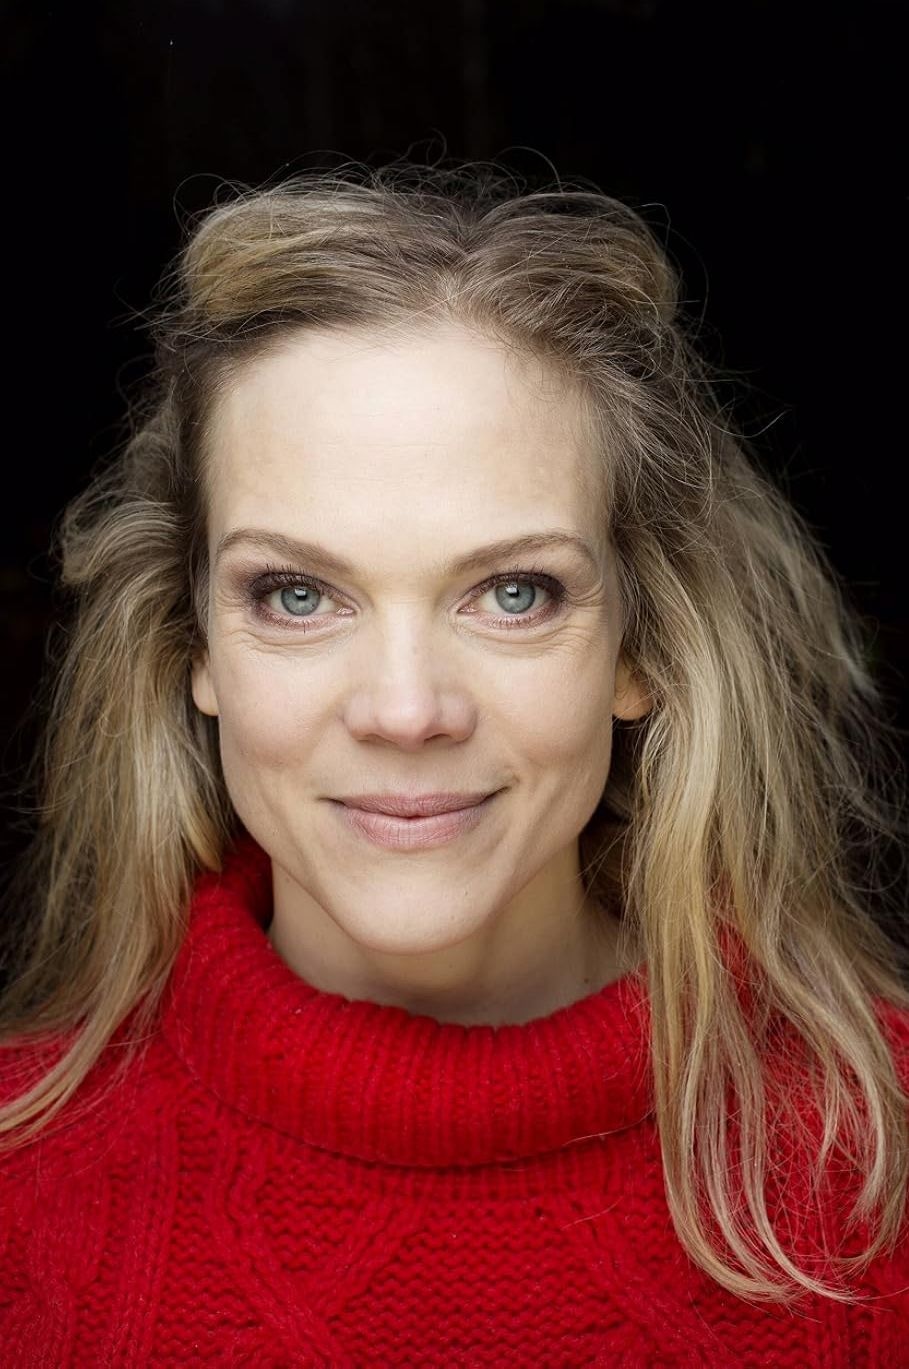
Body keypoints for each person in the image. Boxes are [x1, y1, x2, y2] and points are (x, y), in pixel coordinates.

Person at [1, 161, 908, 1366]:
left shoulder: (879, 1161)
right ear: (195, 646)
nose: (405, 709)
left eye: (514, 592)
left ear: (642, 647)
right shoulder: (21, 1190)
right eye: (298, 594)